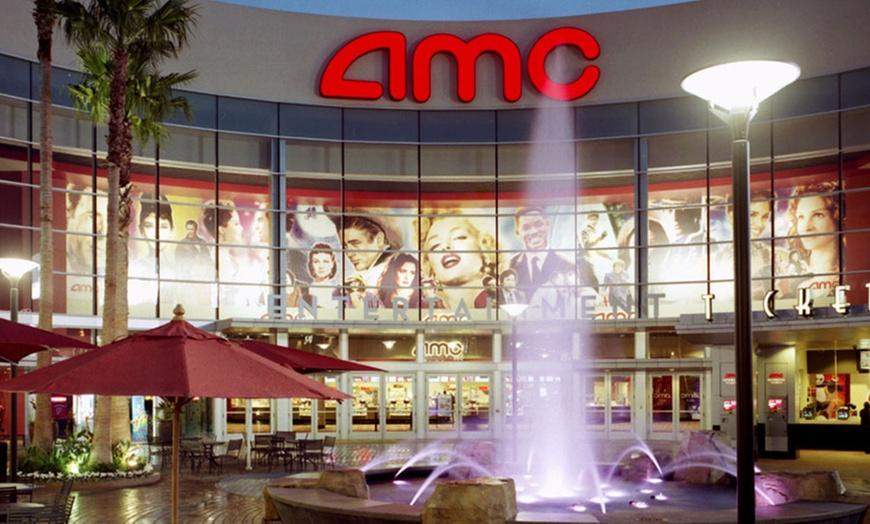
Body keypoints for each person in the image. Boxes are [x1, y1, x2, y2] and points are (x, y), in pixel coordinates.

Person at [417, 212, 496, 310]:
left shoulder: (504, 299)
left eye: (458, 237)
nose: (445, 246)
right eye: (435, 245)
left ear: (484, 246)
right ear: (429, 265)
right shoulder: (422, 309)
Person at [508, 207, 574, 300]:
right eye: (526, 228)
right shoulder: (511, 264)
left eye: (538, 224)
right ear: (517, 233)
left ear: (547, 225)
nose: (534, 231)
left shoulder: (566, 264)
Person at [788, 181, 839, 296]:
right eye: (801, 217)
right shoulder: (795, 282)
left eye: (818, 215)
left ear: (836, 217)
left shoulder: (849, 277)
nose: (806, 227)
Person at [336, 214, 403, 288]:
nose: (349, 254)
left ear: (379, 240)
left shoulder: (383, 273)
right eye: (345, 246)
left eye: (355, 244)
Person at [307, 243, 340, 308]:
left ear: (332, 264)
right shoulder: (304, 291)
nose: (321, 266)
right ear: (311, 264)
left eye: (325, 261)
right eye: (316, 262)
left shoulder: (340, 292)